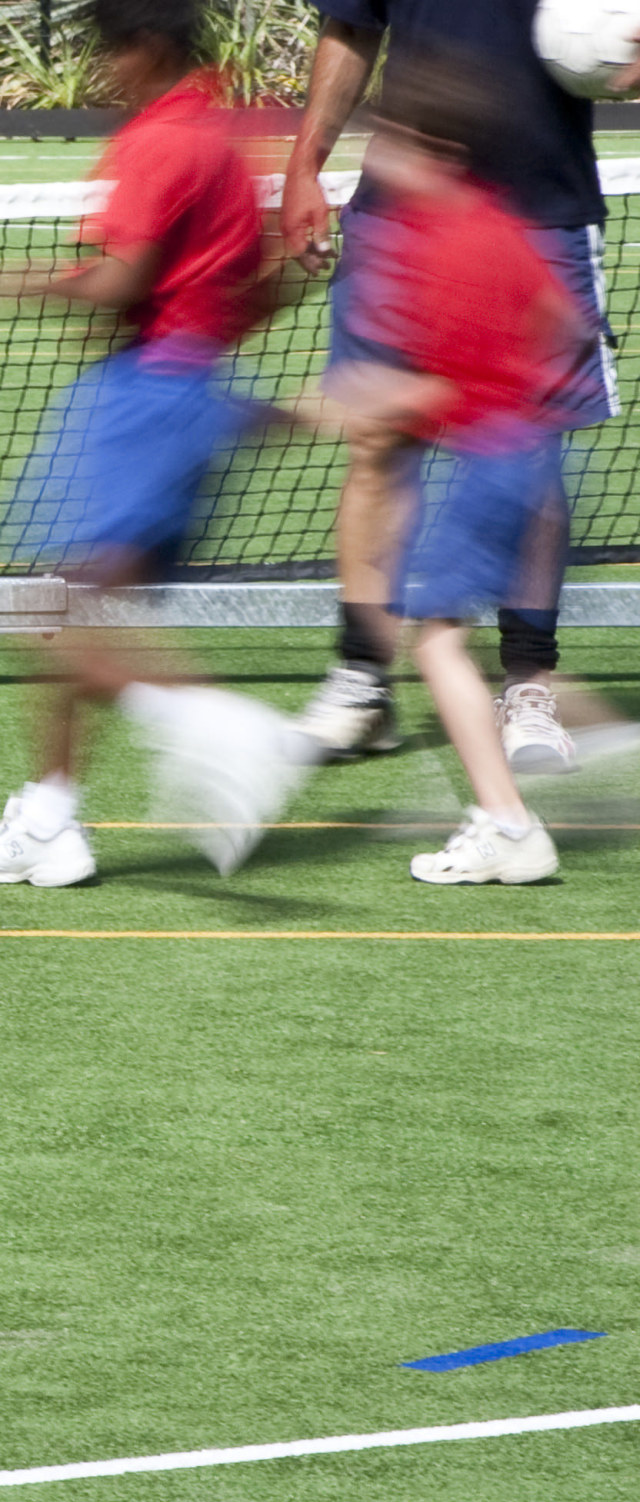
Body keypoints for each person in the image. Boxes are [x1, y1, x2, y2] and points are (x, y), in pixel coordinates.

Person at [281, 0, 640, 772]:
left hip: (536, 214)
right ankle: (359, 679)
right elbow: (349, 27)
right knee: (381, 440)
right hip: (396, 224)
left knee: (525, 457)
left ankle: (527, 688)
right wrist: (306, 168)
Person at [0, 0, 314, 890]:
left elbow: (121, 281)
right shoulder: (233, 139)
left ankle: (211, 728)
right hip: (192, 393)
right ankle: (50, 819)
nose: (103, 71)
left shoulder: (158, 144)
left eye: (106, 51)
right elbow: (264, 291)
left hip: (143, 397)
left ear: (141, 48)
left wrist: (20, 283)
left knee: (57, 612)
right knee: (87, 604)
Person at [299, 55, 627, 886]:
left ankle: (506, 825)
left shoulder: (437, 249)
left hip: (488, 467)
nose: (381, 160)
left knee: (439, 644)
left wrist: (347, 400)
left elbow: (432, 385)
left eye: (391, 144)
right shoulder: (499, 224)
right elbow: (565, 325)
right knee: (449, 638)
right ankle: (589, 746)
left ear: (433, 150)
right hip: (531, 456)